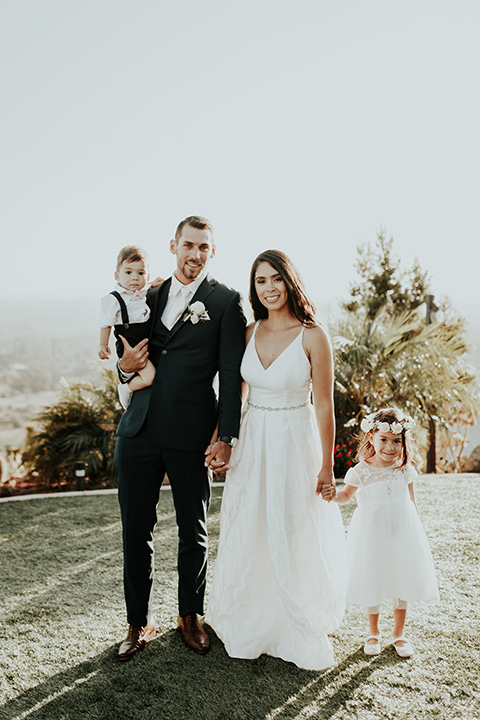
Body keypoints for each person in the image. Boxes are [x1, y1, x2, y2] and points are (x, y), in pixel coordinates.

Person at [205, 249, 345, 671]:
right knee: (251, 522)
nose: (268, 288)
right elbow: (237, 395)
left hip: (294, 440)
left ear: (290, 281)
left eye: (275, 279)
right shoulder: (248, 333)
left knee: (292, 523)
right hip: (254, 440)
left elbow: (324, 406)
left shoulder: (313, 335)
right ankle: (250, 612)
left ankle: (293, 615)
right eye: (261, 281)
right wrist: (220, 438)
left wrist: (326, 466)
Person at [114, 216, 246, 661]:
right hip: (139, 430)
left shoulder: (227, 302)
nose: (195, 255)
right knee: (136, 529)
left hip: (191, 434)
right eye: (188, 245)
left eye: (203, 248)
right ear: (173, 246)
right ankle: (137, 622)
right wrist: (124, 366)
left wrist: (226, 435)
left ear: (212, 252)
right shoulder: (145, 294)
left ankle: (190, 615)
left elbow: (231, 375)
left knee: (194, 529)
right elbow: (126, 356)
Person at [322, 407, 439, 658]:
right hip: (372, 535)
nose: (390, 447)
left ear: (403, 442)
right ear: (372, 438)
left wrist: (415, 533)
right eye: (384, 440)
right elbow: (345, 496)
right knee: (372, 579)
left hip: (401, 534)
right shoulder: (361, 471)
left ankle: (399, 634)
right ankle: (373, 632)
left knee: (401, 582)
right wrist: (333, 496)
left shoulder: (404, 469)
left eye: (396, 441)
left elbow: (412, 502)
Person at [99, 245, 156, 409]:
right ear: (117, 275)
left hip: (145, 342)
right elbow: (106, 323)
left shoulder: (143, 294)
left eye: (141, 273)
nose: (135, 278)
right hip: (130, 345)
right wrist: (103, 345)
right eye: (128, 272)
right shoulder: (114, 299)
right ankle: (126, 388)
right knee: (150, 377)